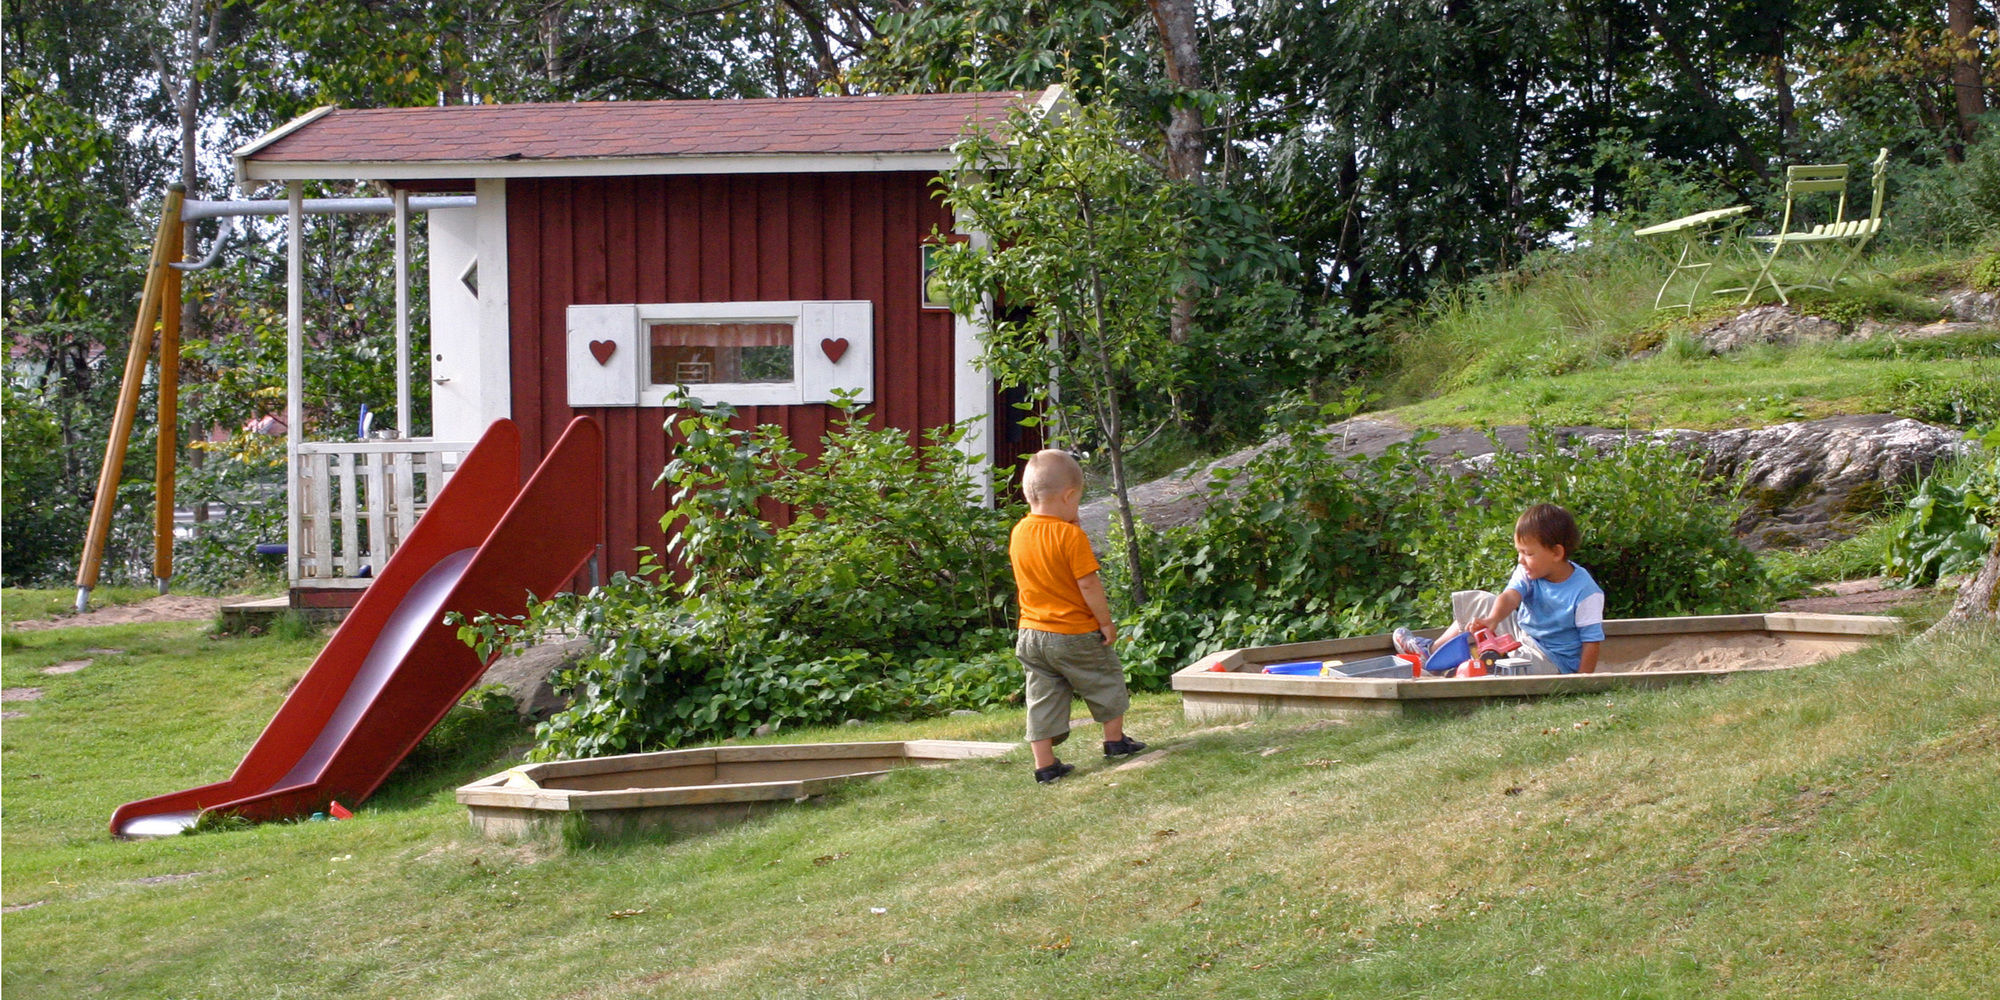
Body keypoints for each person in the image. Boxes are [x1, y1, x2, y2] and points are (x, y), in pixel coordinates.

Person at [1009, 449, 1146, 783]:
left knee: (1041, 696)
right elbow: (1087, 584)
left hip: (1031, 634)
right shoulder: (1071, 536)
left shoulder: (1019, 532)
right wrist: (1106, 622)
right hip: (1073, 633)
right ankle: (1115, 741)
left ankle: (1046, 766)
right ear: (1069, 496)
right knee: (1105, 679)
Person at [1403, 503, 1605, 675]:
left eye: (1528, 553)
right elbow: (1510, 597)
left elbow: (1591, 643)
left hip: (1552, 660)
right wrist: (1493, 619)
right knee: (1482, 602)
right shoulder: (1529, 571)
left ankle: (1468, 667)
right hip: (1523, 637)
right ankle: (1432, 651)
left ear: (1556, 552)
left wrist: (1580, 681)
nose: (1521, 559)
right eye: (1519, 552)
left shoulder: (1586, 592)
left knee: (1516, 663)